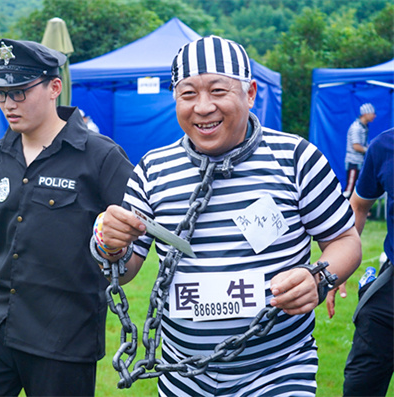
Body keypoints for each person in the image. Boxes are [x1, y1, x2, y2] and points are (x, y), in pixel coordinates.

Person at [94, 35, 362, 396]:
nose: (203, 107)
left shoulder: (297, 158)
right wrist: (108, 243)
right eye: (188, 94)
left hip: (279, 370)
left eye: (218, 91)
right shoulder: (153, 170)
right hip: (183, 377)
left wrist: (319, 278)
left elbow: (345, 240)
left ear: (250, 93)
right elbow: (124, 271)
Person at [0, 39, 133, 396]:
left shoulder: (99, 156)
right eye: (1, 94)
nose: (8, 104)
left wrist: (122, 259)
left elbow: (136, 228)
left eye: (19, 92)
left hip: (62, 332)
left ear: (54, 87)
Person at [327, 128, 393, 396]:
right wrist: (335, 269)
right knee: (360, 385)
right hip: (389, 293)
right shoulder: (385, 146)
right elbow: (358, 207)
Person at [344, 103, 376, 196]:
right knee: (349, 189)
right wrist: (369, 150)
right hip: (353, 163)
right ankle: (343, 208)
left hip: (360, 162)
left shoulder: (363, 127)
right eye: (372, 113)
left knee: (359, 189)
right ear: (366, 114)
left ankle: (362, 210)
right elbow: (356, 146)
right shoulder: (356, 127)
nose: (374, 115)